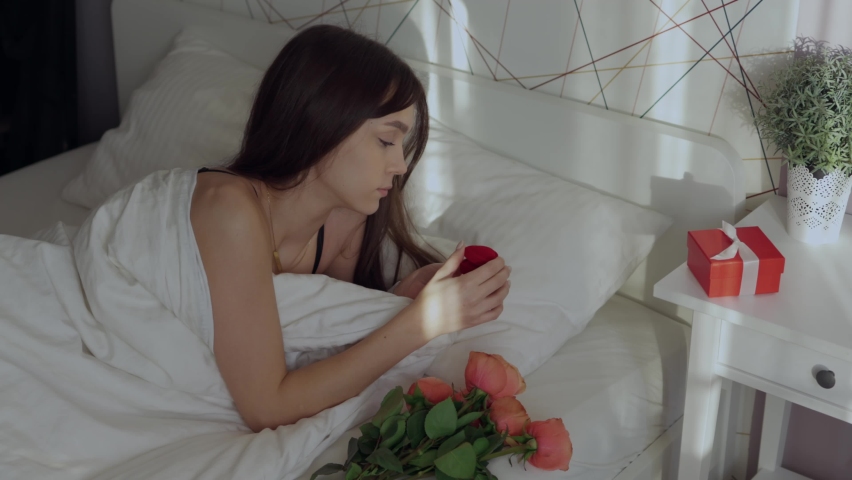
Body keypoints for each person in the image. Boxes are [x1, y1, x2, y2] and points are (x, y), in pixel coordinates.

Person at [189, 25, 511, 433]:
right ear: (321, 124)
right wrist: (424, 321)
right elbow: (266, 409)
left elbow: (332, 343)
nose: (400, 166)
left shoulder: (346, 220)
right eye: (386, 141)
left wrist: (398, 300)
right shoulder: (229, 209)